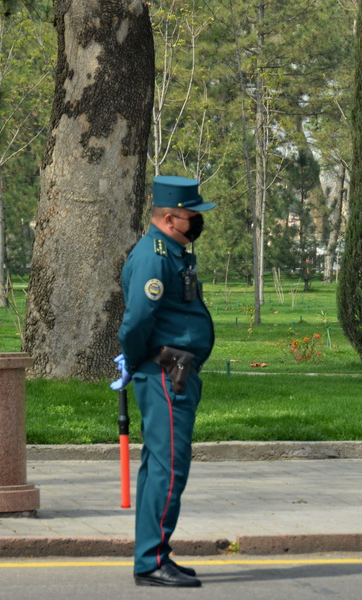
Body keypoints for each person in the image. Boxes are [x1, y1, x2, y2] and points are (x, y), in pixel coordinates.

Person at [112, 175, 216, 588]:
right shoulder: (156, 257)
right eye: (194, 215)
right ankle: (151, 560)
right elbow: (137, 319)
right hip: (165, 374)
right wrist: (136, 360)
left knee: (162, 466)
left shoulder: (173, 252)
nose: (198, 221)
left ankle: (155, 554)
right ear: (171, 217)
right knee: (169, 468)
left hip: (174, 373)